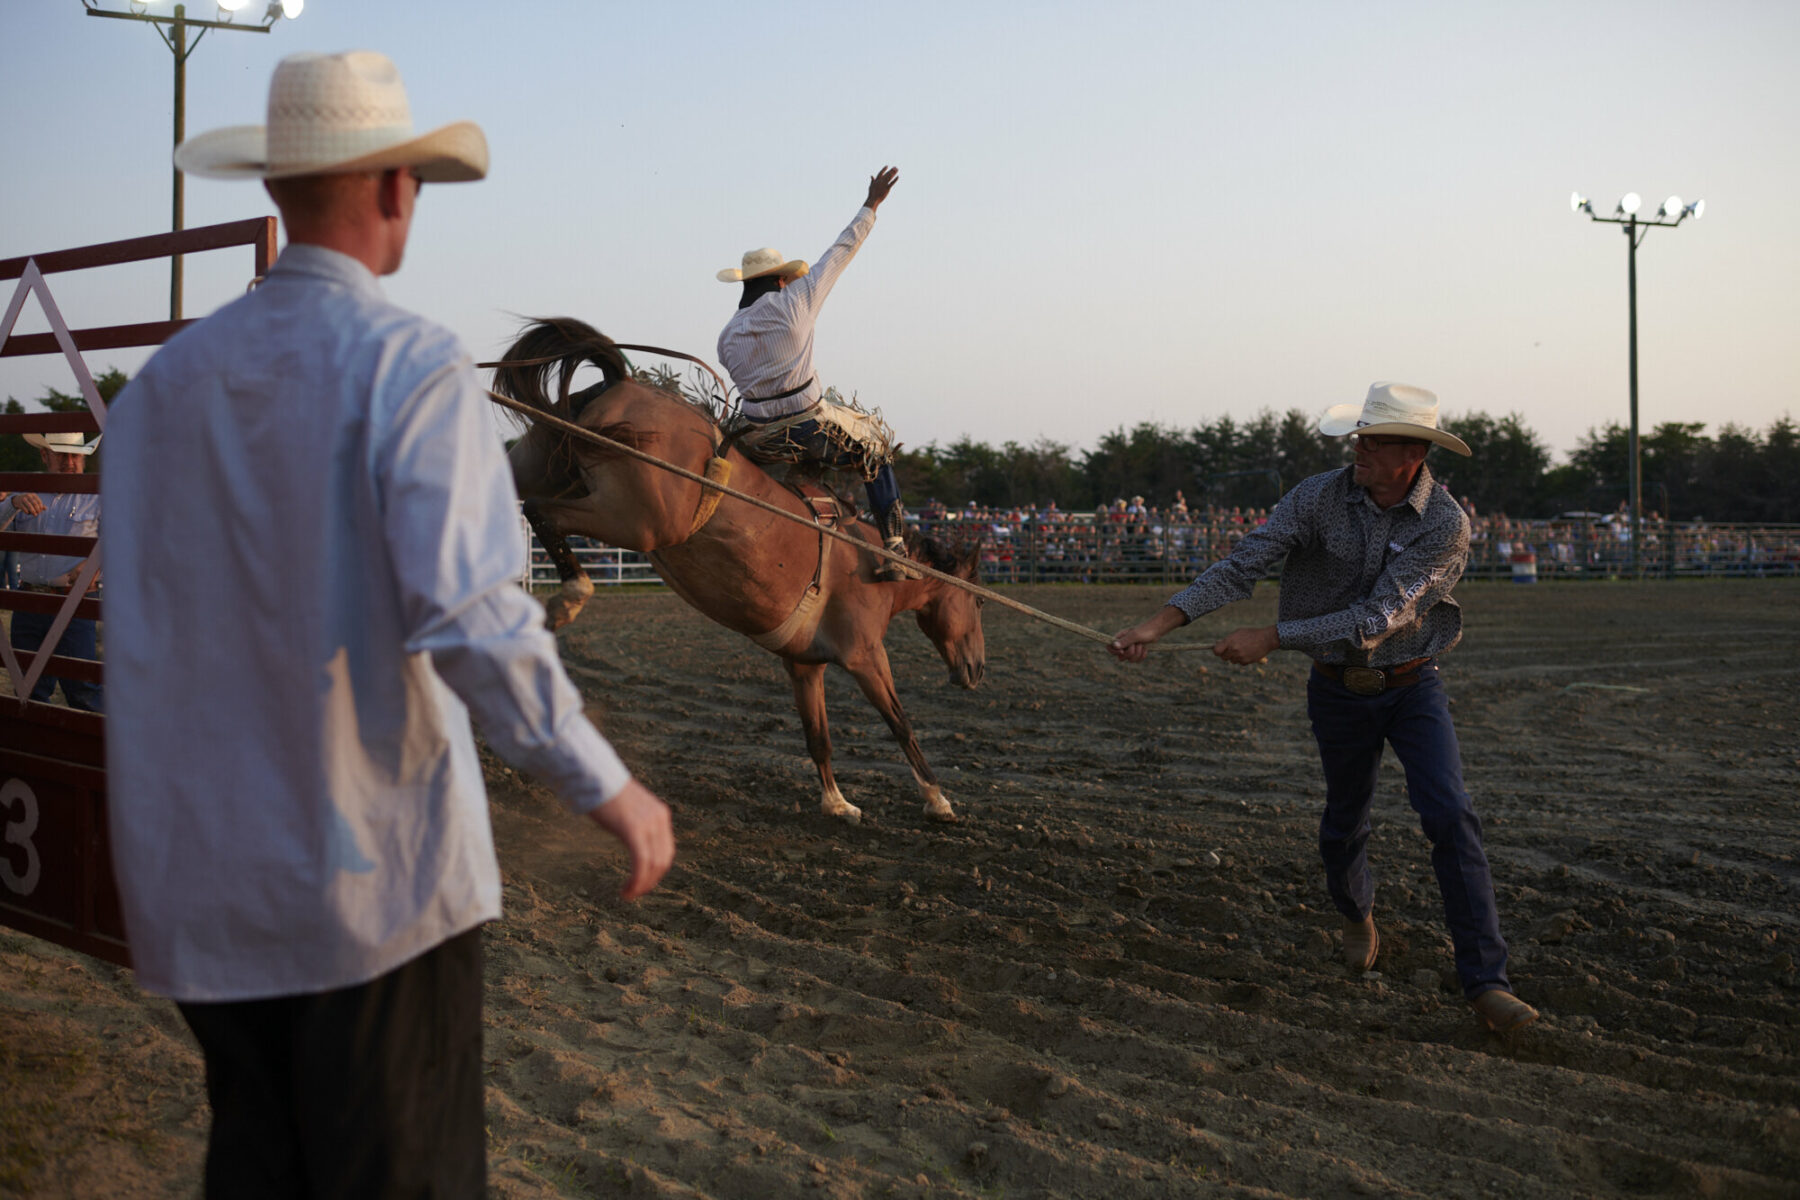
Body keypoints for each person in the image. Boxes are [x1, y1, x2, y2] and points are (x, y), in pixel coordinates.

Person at [103, 51, 676, 1198]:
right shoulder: (407, 367)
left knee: (260, 1165)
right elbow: (468, 613)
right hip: (371, 893)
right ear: (397, 188)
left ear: (275, 188)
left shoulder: (162, 391)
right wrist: (606, 783)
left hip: (204, 894)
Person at [1109, 382, 1538, 1034]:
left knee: (1450, 814)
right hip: (1337, 688)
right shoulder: (1316, 496)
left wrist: (1272, 637)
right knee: (1343, 824)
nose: (1359, 446)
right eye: (1360, 434)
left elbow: (1378, 617)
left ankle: (1485, 981)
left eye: (1376, 438)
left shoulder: (1446, 526)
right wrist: (1157, 625)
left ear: (1413, 453)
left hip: (1410, 682)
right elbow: (1244, 563)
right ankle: (1358, 913)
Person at [715, 166, 918, 580]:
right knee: (876, 446)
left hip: (756, 437)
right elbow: (840, 252)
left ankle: (809, 490)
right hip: (808, 427)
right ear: (780, 280)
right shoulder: (795, 303)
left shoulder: (726, 337)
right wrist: (870, 205)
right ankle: (895, 550)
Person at [2, 430, 103, 711]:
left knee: (82, 691)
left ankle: (89, 753)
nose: (71, 462)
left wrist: (94, 562)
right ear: (45, 456)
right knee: (29, 689)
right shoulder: (26, 492)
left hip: (75, 600)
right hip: (30, 601)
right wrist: (12, 503)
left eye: (76, 455)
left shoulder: (97, 495)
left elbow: (123, 537)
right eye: (62, 455)